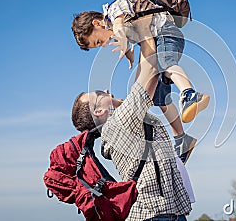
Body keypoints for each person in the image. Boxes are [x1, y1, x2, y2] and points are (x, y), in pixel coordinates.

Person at [71, 0, 210, 162]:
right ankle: (181, 138)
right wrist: (128, 51)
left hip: (166, 33)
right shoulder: (118, 27)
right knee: (159, 98)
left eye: (98, 41)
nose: (103, 44)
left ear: (97, 23)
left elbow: (120, 21)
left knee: (164, 62)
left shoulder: (114, 12)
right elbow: (132, 34)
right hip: (158, 37)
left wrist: (121, 36)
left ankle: (190, 94)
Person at [71, 33, 192, 220]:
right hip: (155, 216)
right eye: (99, 94)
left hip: (166, 213)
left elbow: (144, 77)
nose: (106, 91)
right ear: (98, 112)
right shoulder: (119, 123)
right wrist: (145, 31)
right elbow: (150, 69)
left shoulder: (119, 125)